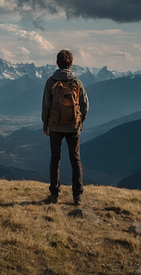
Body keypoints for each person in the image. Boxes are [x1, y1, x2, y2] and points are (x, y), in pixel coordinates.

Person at [41, 49, 89, 206]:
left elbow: (46, 105)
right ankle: (77, 196)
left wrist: (46, 123)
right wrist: (80, 121)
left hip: (55, 126)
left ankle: (54, 194)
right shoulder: (77, 82)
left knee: (55, 159)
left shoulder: (51, 81)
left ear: (57, 63)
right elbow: (85, 105)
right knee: (75, 159)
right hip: (73, 126)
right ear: (71, 63)